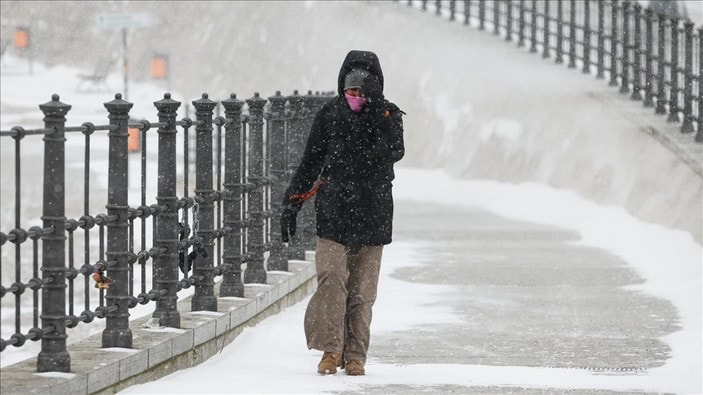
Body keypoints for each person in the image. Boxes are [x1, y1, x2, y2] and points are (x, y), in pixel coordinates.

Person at [280, 50, 405, 376]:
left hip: (373, 213)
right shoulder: (329, 115)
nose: (356, 98)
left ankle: (356, 355)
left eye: (363, 93)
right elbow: (310, 161)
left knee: (363, 292)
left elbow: (395, 151)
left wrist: (376, 116)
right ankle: (331, 350)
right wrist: (292, 202)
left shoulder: (388, 115)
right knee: (332, 281)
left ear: (375, 89)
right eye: (351, 92)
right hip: (334, 211)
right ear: (342, 87)